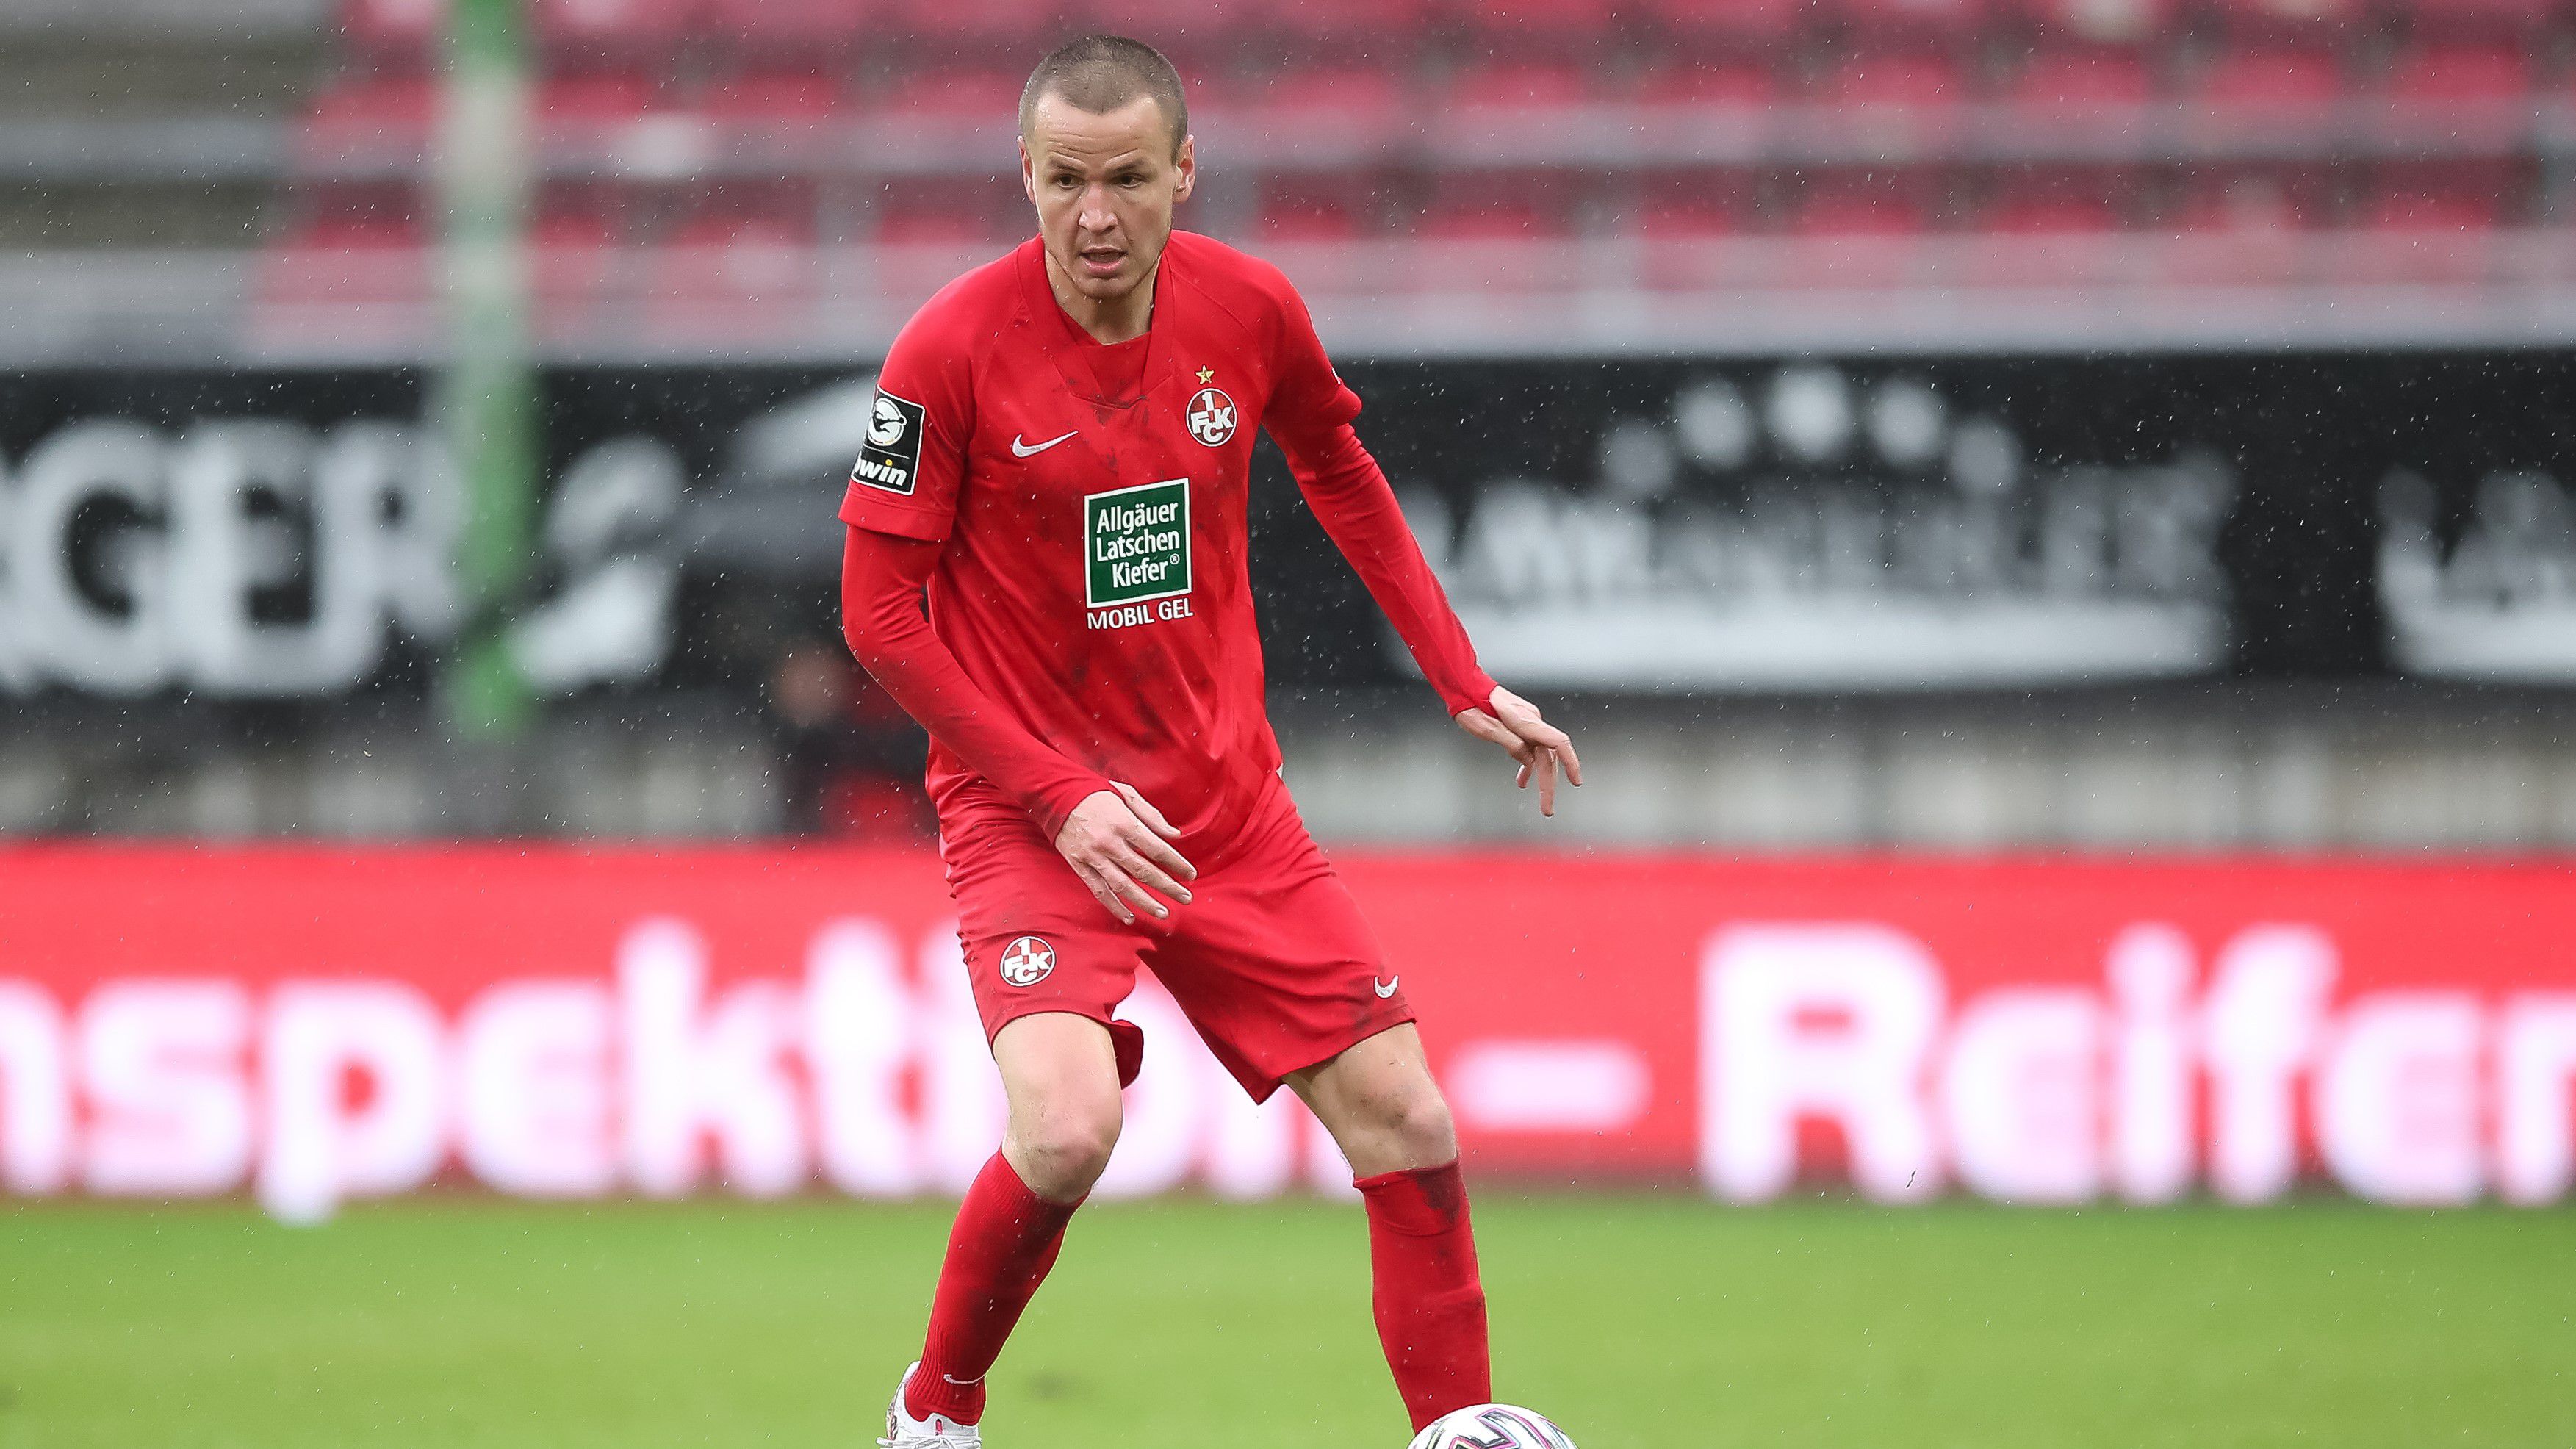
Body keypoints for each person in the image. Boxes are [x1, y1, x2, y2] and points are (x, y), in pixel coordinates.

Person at [837, 35, 1581, 1447]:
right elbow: (878, 618)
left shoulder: (1250, 310)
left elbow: (1339, 468)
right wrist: (1057, 796)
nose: (1094, 215)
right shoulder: (943, 351)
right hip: (1034, 810)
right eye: (1064, 180)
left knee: (1407, 1118)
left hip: (1223, 810)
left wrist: (1456, 673)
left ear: (1185, 171)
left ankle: (1456, 1431)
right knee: (1065, 1131)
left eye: (1126, 177)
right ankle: (933, 1416)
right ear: (1026, 176)